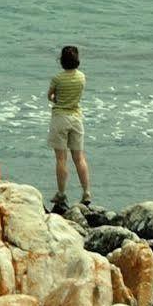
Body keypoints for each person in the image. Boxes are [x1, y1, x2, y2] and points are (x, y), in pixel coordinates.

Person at [47, 45, 91, 211]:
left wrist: (56, 99)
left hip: (60, 118)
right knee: (79, 158)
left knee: (61, 159)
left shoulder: (57, 78)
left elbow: (50, 96)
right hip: (76, 118)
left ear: (62, 61)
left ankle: (61, 193)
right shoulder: (81, 77)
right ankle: (86, 192)